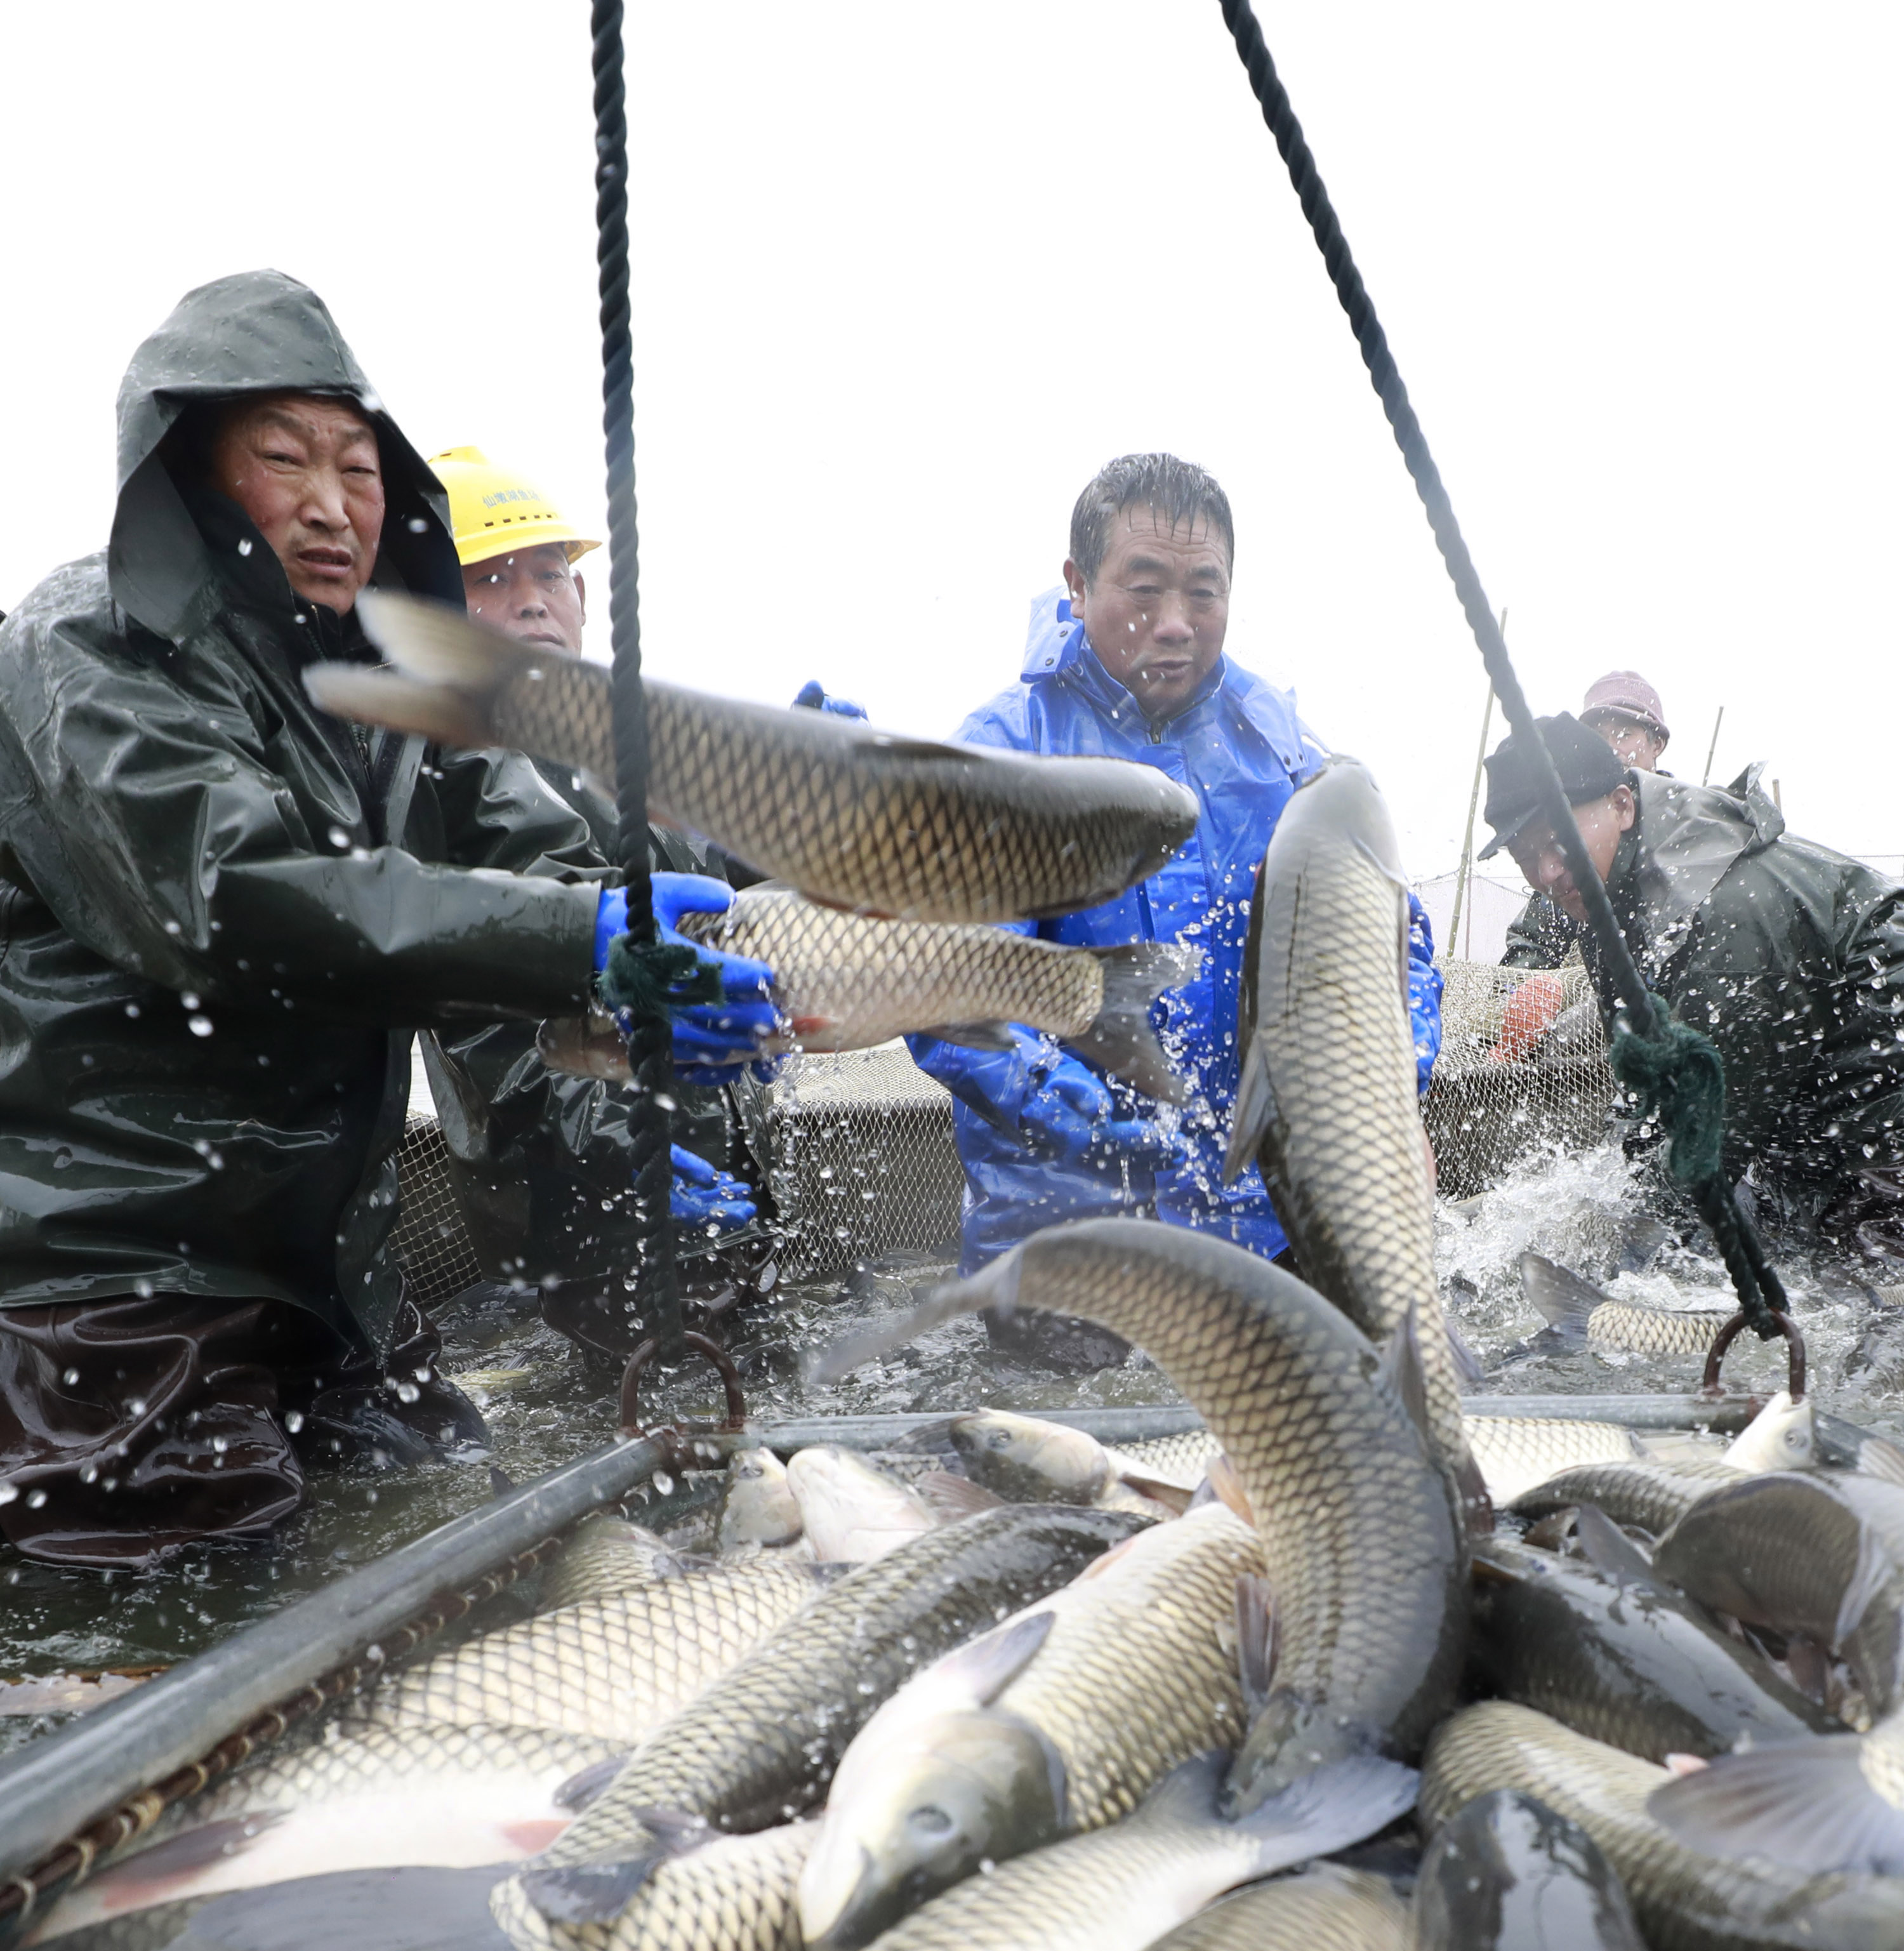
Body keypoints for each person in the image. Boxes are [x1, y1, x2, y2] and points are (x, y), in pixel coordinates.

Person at [0, 272, 771, 1567]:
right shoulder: (95, 645)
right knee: (167, 1627)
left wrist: (645, 984)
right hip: (118, 1283)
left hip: (336, 1285)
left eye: (358, 469)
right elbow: (236, 900)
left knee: (460, 1523)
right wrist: (573, 945)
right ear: (184, 477)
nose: (327, 503)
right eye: (283, 459)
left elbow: (533, 855)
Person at [907, 454, 1439, 1355]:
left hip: (1273, 1237)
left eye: (1205, 593)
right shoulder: (1004, 756)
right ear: (1077, 584)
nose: (1177, 626)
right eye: (1143, 590)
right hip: (1070, 1251)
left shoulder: (1287, 753)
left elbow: (1398, 947)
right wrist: (1134, 1140)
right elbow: (955, 1004)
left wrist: (1383, 1092)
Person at [421, 445, 760, 1353]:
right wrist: (621, 1145)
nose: (532, 597)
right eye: (488, 577)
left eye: (548, 572)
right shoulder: (434, 769)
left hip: (709, 1188)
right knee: (639, 1420)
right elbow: (489, 1025)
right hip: (582, 1231)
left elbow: (736, 905)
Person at [1479, 711, 1904, 1247]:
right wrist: (1622, 1179)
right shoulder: (1595, 886)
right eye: (1526, 857)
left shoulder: (1720, 909)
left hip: (1879, 1026)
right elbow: (1643, 1065)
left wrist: (1626, 1232)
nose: (1546, 873)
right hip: (1801, 1038)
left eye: (1558, 842)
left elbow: (1717, 1131)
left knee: (1859, 1252)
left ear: (1622, 805)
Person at [1504, 670, 1671, 969]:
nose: (1611, 748)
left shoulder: (1682, 832)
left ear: (1656, 743)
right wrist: (1529, 988)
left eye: (1624, 734)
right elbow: (1532, 941)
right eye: (1598, 736)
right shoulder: (1566, 863)